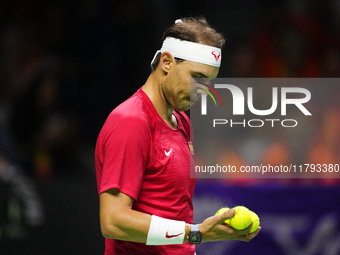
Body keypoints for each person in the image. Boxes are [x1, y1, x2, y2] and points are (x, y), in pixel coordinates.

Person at [95, 17, 260, 255]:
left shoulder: (180, 120)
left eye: (210, 81)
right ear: (166, 62)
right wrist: (195, 232)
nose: (204, 91)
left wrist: (194, 234)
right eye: (197, 77)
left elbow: (171, 210)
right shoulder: (131, 122)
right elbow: (113, 221)